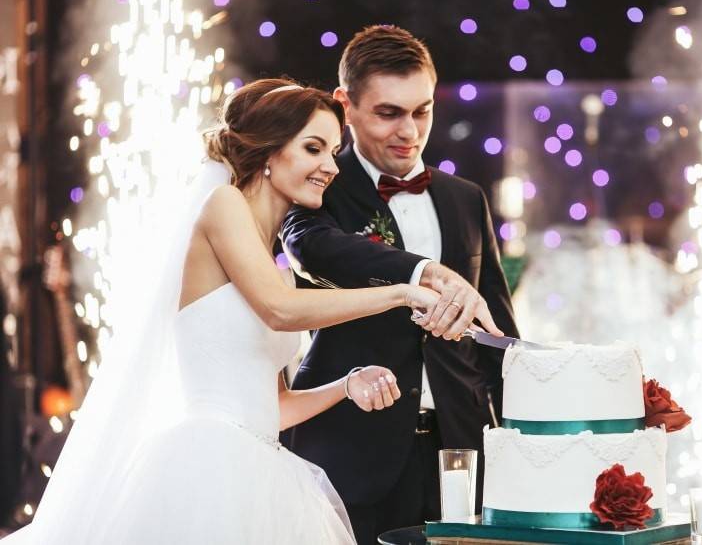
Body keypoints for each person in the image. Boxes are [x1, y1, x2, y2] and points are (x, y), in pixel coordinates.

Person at [0, 78, 441, 545]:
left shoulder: (274, 263)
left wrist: (346, 384)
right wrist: (401, 292)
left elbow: (275, 407)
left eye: (333, 152)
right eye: (314, 148)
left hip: (261, 465)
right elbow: (279, 311)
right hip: (209, 462)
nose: (330, 166)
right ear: (269, 151)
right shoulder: (223, 205)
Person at [281, 25, 520, 544]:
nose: (409, 131)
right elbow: (311, 247)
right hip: (349, 447)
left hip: (459, 454)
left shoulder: (465, 196)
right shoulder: (320, 183)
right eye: (389, 113)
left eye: (422, 111)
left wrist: (527, 437)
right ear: (345, 104)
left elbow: (497, 326)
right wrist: (421, 271)